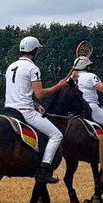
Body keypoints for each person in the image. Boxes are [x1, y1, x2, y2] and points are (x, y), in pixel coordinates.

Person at [4, 37, 70, 183]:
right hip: (24, 111)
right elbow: (40, 94)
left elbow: (19, 92)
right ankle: (45, 169)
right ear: (35, 51)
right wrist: (59, 86)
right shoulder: (32, 68)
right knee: (56, 135)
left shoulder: (11, 66)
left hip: (8, 109)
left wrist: (33, 103)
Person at [72, 55, 103, 127]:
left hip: (75, 110)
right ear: (86, 67)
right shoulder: (91, 76)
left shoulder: (70, 79)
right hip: (90, 107)